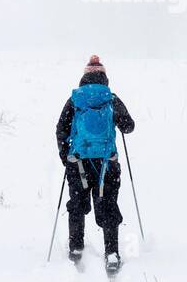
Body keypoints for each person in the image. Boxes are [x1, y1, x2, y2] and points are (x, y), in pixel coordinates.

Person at [55, 55, 135, 268]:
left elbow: (61, 129)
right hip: (107, 164)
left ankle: (76, 248)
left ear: (84, 77)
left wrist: (66, 158)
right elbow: (129, 126)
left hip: (78, 163)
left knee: (77, 205)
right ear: (104, 77)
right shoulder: (111, 99)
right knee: (108, 205)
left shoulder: (75, 100)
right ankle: (111, 254)